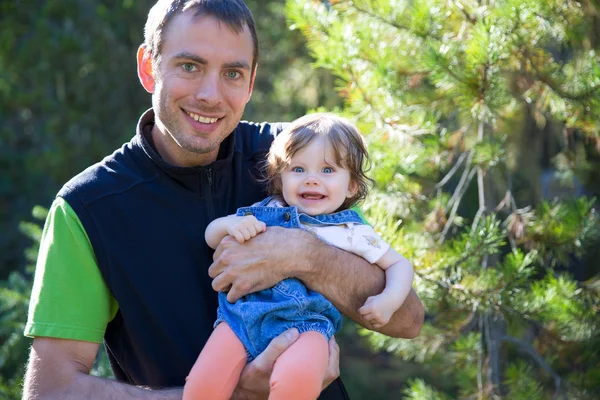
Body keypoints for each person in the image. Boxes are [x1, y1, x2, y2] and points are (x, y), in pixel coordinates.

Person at [22, 1, 424, 399]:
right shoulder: (91, 206)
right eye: (190, 66)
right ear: (149, 67)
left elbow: (407, 320)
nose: (211, 95)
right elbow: (51, 390)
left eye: (233, 73)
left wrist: (307, 255)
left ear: (250, 83)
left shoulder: (297, 162)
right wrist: (234, 396)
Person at [183, 113, 415, 400]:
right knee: (202, 387)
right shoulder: (266, 210)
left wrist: (388, 300)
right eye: (298, 169)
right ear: (281, 177)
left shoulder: (350, 231)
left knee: (297, 380)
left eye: (328, 170)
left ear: (352, 185)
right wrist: (231, 225)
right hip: (239, 321)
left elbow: (399, 264)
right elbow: (211, 234)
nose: (312, 180)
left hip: (306, 328)